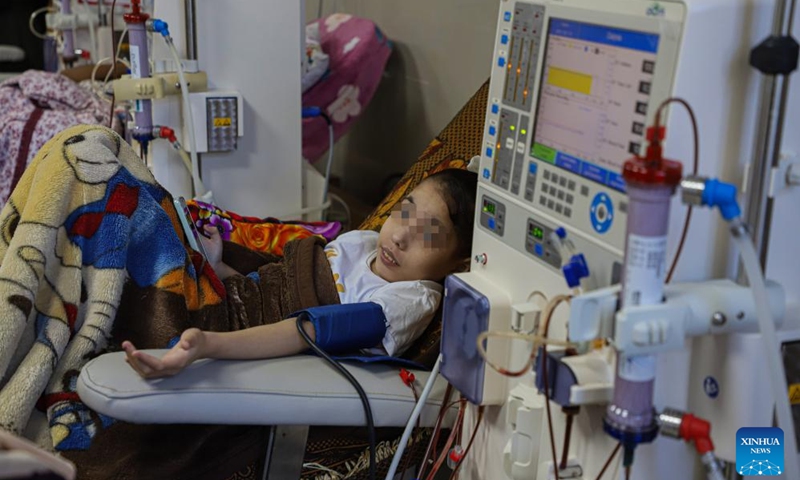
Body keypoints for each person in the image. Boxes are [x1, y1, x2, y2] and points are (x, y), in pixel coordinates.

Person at [123, 169, 478, 378]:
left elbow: (307, 330)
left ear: (458, 265)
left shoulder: (409, 300)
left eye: (428, 234)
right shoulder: (366, 244)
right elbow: (279, 279)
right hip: (232, 298)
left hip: (231, 334)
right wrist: (221, 268)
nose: (400, 235)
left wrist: (207, 345)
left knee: (144, 291)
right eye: (404, 212)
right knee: (142, 207)